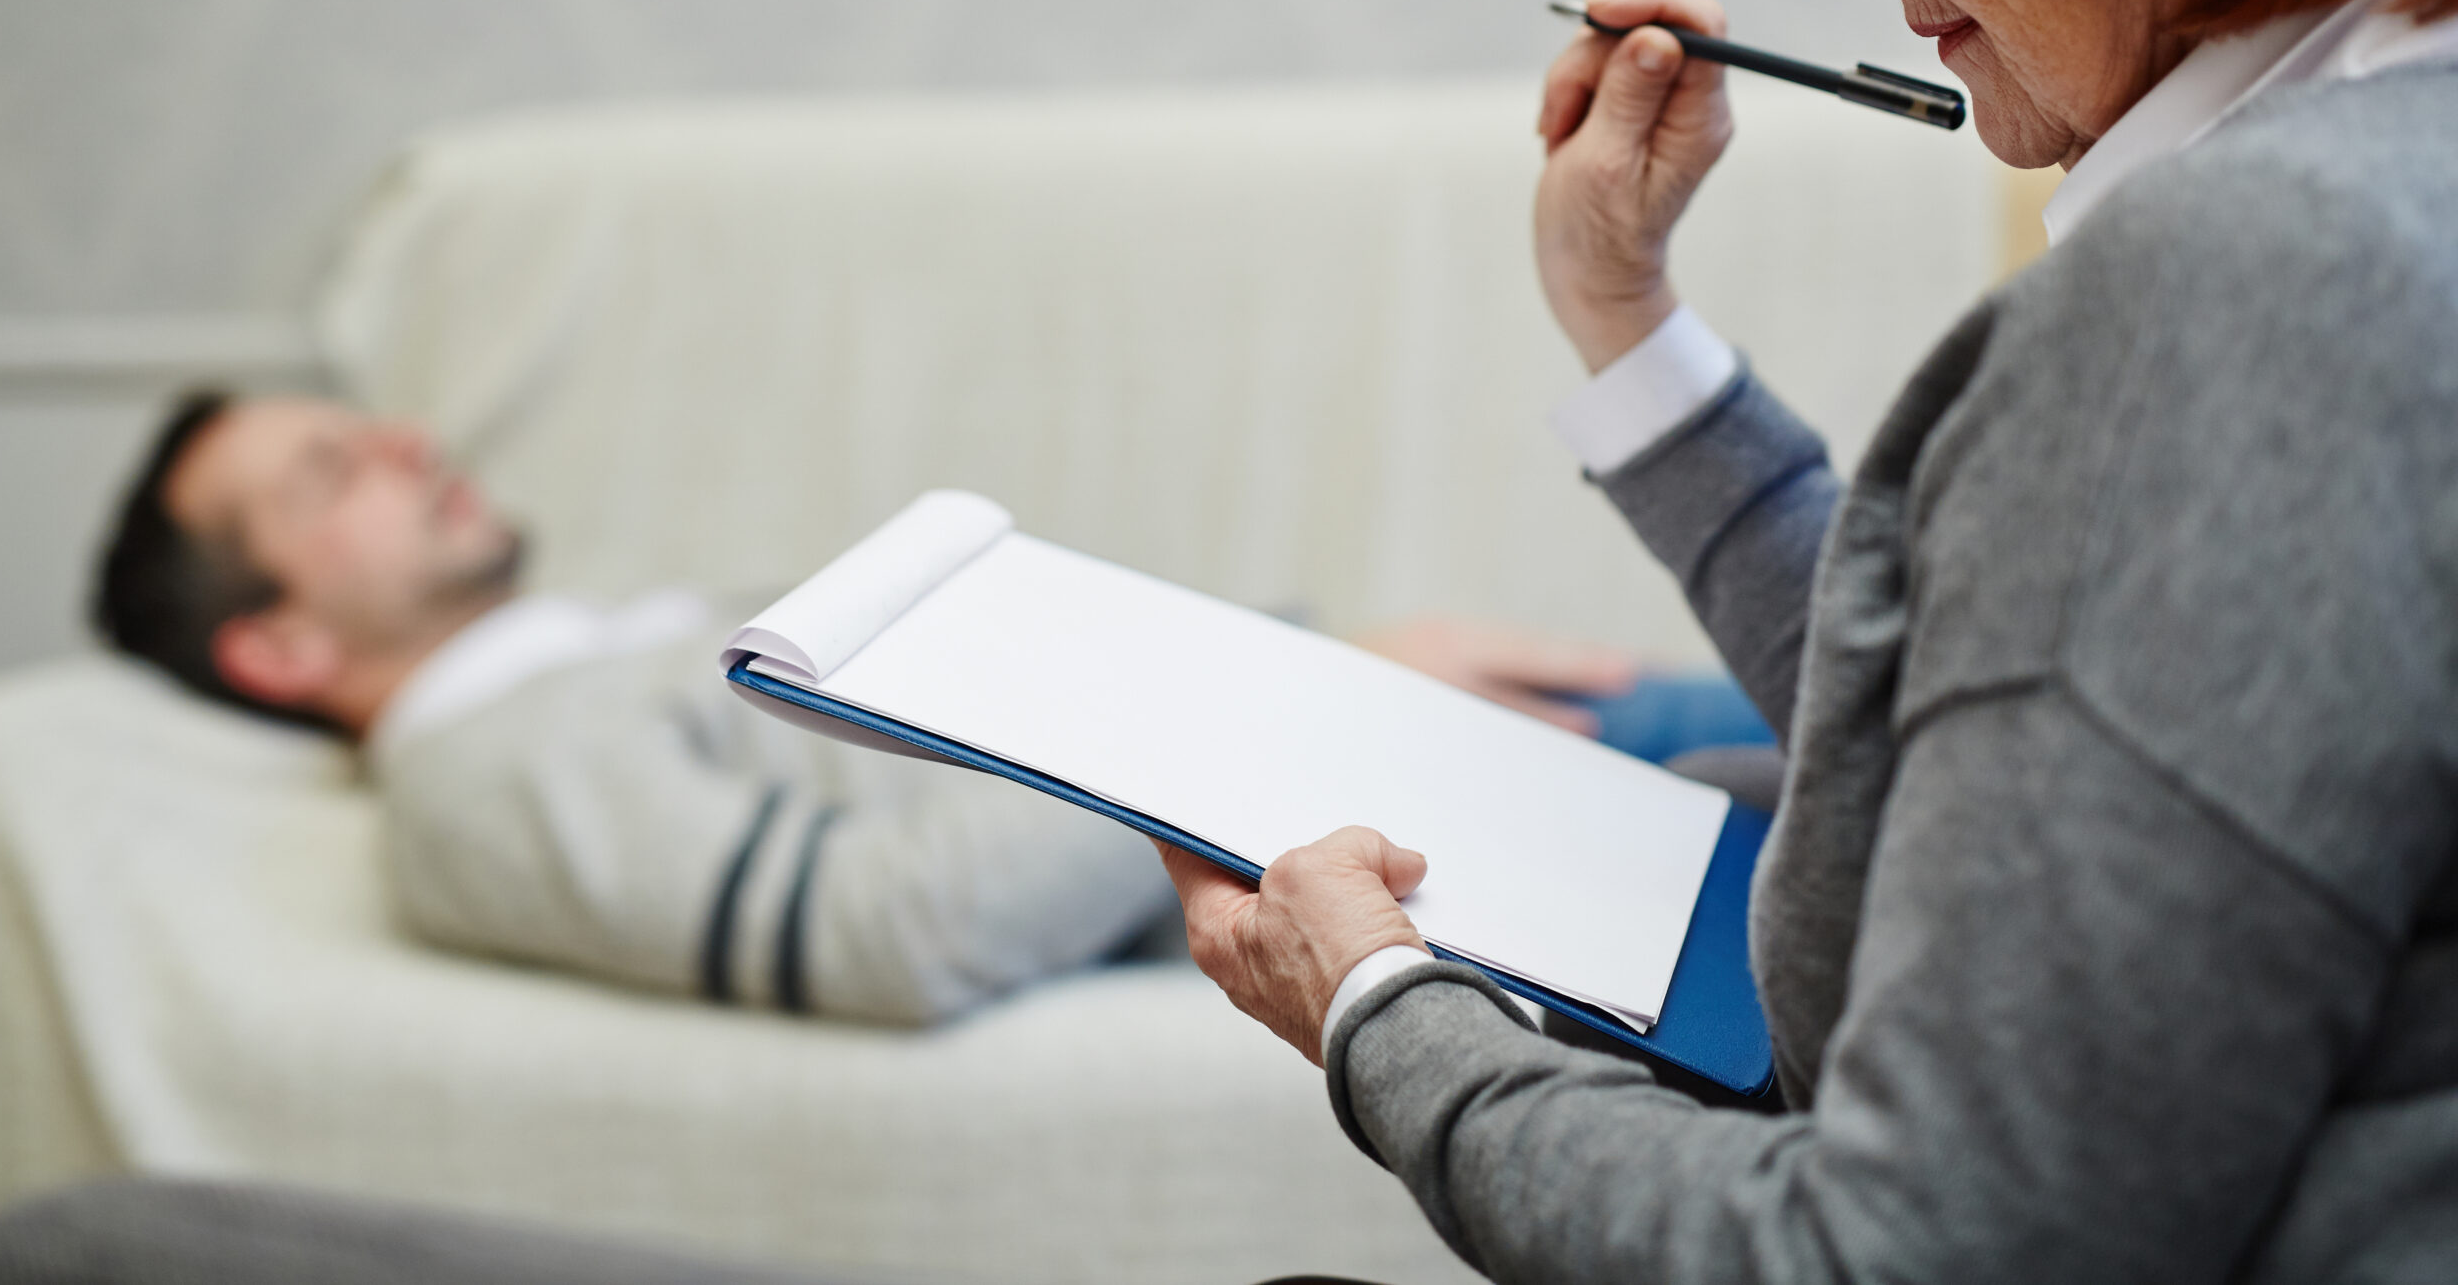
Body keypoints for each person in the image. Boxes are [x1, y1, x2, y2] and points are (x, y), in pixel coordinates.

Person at [1159, 0, 2458, 1281]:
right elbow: (2011, 725)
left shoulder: (2242, 286)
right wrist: (1623, 321)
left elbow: (1903, 1256)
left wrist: (1386, 1022)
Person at [88, 389, 1690, 1026]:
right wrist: (1315, 696)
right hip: (1361, 837)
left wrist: (1327, 676)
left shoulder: (585, 652)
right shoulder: (485, 774)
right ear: (279, 652)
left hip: (1364, 761)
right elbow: (892, 931)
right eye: (331, 474)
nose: (404, 440)